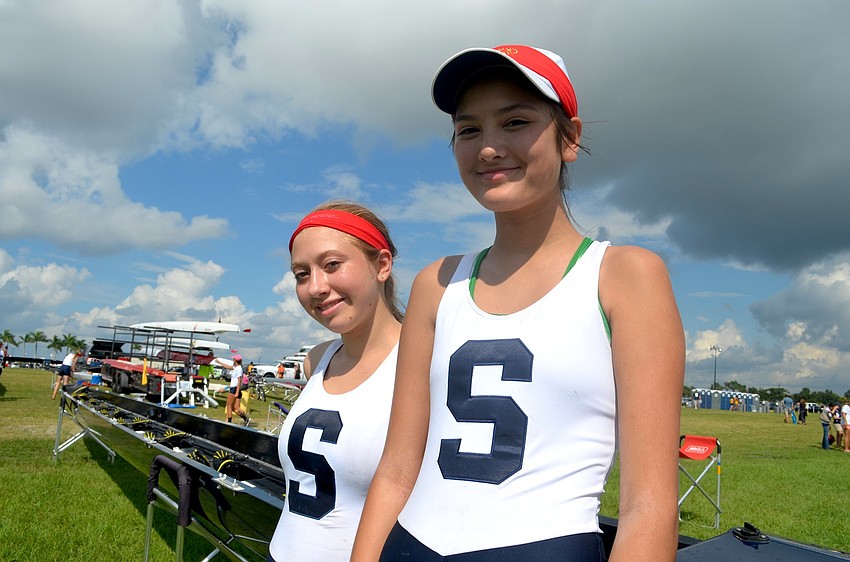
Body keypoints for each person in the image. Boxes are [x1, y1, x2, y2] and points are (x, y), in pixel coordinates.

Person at [352, 45, 685, 562]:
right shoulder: (436, 283)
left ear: (570, 138)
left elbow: (649, 506)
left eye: (515, 121)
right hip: (409, 546)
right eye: (468, 130)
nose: (488, 148)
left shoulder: (624, 275)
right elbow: (396, 470)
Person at [267, 201, 404, 562]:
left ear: (382, 265)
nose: (315, 287)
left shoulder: (421, 364)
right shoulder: (318, 359)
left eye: (331, 265)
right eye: (301, 274)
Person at [213, 354, 250, 425]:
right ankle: (246, 419)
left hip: (235, 388)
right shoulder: (236, 367)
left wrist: (236, 392)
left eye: (233, 359)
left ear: (235, 360)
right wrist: (219, 362)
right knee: (235, 408)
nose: (233, 360)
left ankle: (229, 422)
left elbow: (239, 380)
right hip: (235, 388)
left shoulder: (239, 368)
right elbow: (227, 367)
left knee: (229, 405)